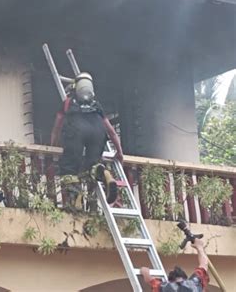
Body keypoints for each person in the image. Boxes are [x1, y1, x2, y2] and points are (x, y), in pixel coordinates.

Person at [50, 72, 123, 205]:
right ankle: (104, 172)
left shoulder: (67, 102)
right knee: (93, 166)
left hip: (76, 132)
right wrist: (120, 151)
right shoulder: (96, 105)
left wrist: (53, 145)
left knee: (69, 167)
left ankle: (75, 198)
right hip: (98, 133)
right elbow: (112, 132)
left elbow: (57, 127)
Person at [140, 238, 210, 292]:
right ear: (185, 278)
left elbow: (149, 278)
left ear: (170, 280)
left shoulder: (164, 287)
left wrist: (144, 270)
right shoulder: (194, 283)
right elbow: (204, 263)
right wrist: (199, 247)